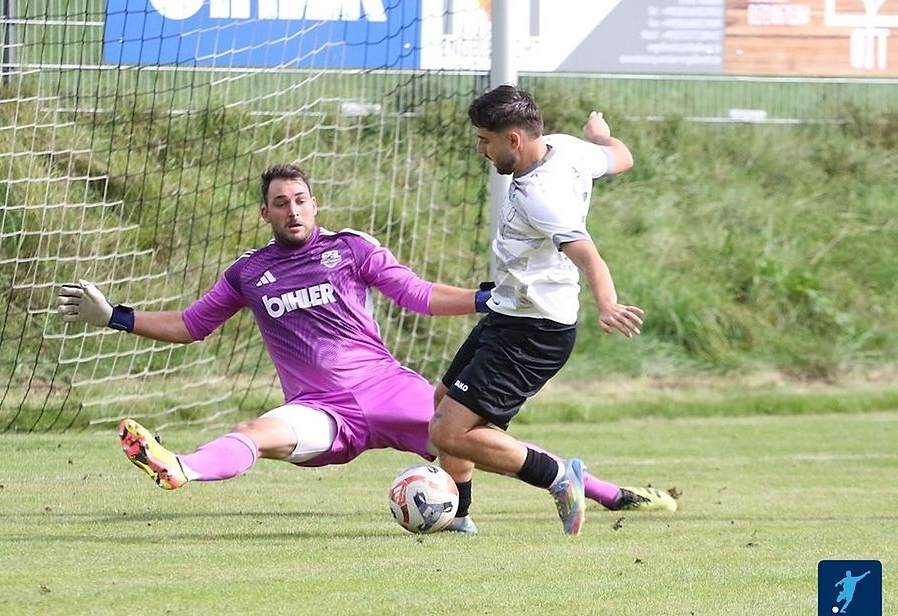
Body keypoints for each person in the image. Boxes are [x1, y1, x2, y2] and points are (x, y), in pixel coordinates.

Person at [56, 164, 492, 533]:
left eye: (300, 200)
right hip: (320, 410)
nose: (293, 210)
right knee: (254, 432)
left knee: (462, 429)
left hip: (387, 388)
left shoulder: (349, 249)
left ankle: (480, 508)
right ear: (266, 213)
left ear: (314, 204)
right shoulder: (249, 272)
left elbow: (417, 294)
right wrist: (116, 316)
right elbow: (191, 325)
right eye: (281, 203)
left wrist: (481, 299)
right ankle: (181, 467)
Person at [428, 84, 678, 536]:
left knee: (448, 432)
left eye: (486, 140)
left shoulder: (542, 196)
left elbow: (588, 255)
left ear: (514, 140)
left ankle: (559, 477)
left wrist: (607, 304)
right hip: (511, 312)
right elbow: (622, 157)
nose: (482, 149)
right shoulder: (567, 147)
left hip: (534, 330)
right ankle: (458, 515)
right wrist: (601, 135)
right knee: (443, 403)